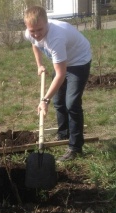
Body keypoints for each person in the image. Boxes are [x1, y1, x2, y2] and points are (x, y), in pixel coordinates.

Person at [23, 6, 92, 162]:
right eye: (32, 31)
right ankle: (63, 133)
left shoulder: (56, 37)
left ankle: (75, 147)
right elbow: (35, 44)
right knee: (59, 101)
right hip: (62, 62)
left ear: (47, 23)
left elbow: (61, 74)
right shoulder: (31, 33)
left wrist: (44, 100)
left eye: (40, 30)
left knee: (72, 103)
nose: (36, 34)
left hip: (79, 61)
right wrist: (39, 65)